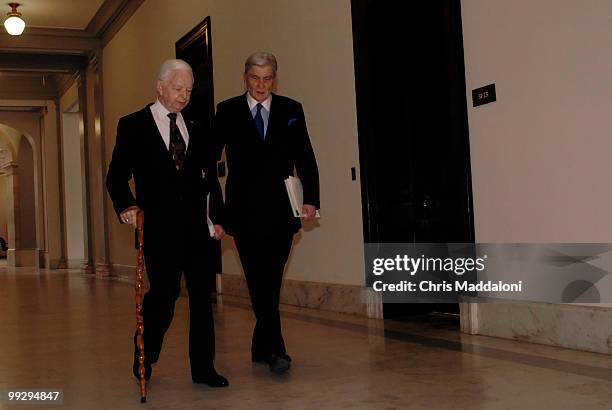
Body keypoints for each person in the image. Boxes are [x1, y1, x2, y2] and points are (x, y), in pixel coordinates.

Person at [106, 59, 228, 387]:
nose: (184, 96)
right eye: (177, 89)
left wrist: (217, 217)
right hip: (159, 231)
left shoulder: (199, 126)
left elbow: (209, 181)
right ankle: (146, 348)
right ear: (159, 87)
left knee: (203, 298)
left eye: (189, 90)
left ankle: (204, 368)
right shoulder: (132, 125)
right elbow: (116, 177)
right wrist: (128, 206)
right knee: (164, 295)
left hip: (197, 230)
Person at [215, 52, 320, 374]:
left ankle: (264, 345)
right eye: (254, 78)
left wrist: (312, 199)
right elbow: (208, 159)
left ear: (275, 78)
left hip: (281, 209)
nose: (261, 85)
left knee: (270, 280)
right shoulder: (228, 110)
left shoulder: (291, 109)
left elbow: (305, 154)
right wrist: (215, 210)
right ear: (245, 77)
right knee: (257, 280)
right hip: (243, 211)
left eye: (267, 78)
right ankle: (275, 349)